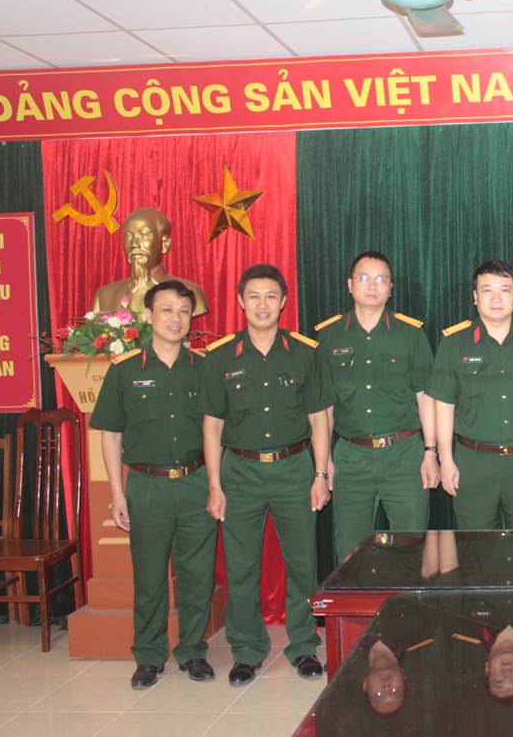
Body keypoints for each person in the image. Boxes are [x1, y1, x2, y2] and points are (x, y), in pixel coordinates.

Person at [201, 263, 334, 685]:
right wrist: (214, 484)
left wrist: (320, 475)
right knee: (241, 565)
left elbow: (319, 418)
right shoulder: (221, 357)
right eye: (254, 297)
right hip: (239, 471)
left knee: (302, 563)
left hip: (294, 468)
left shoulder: (305, 353)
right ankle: (246, 649)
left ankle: (304, 646)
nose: (262, 305)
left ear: (283, 302)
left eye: (271, 297)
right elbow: (212, 425)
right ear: (241, 302)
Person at [91, 280, 217, 690]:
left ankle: (193, 651)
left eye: (183, 311)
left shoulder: (204, 368)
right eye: (166, 310)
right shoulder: (125, 370)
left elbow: (217, 428)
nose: (176, 319)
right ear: (148, 315)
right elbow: (110, 434)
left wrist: (216, 484)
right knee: (149, 578)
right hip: (146, 486)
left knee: (197, 576)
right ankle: (148, 655)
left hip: (196, 482)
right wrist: (117, 492)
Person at [315, 251, 437, 558]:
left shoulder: (410, 333)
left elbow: (425, 397)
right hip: (351, 458)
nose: (372, 285)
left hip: (404, 457)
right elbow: (324, 407)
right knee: (349, 552)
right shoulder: (329, 336)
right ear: (350, 284)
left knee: (412, 551)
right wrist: (324, 462)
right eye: (364, 278)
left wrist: (430, 452)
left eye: (381, 279)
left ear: (391, 288)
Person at [426, 261, 513, 530]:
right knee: (475, 548)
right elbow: (444, 405)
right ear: (475, 297)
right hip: (473, 463)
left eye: (504, 290)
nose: (496, 298)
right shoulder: (453, 342)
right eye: (487, 290)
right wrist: (445, 460)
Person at [92, 206, 208, 317]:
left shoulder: (190, 292)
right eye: (129, 235)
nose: (135, 244)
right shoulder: (104, 295)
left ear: (164, 243)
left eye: (144, 234)